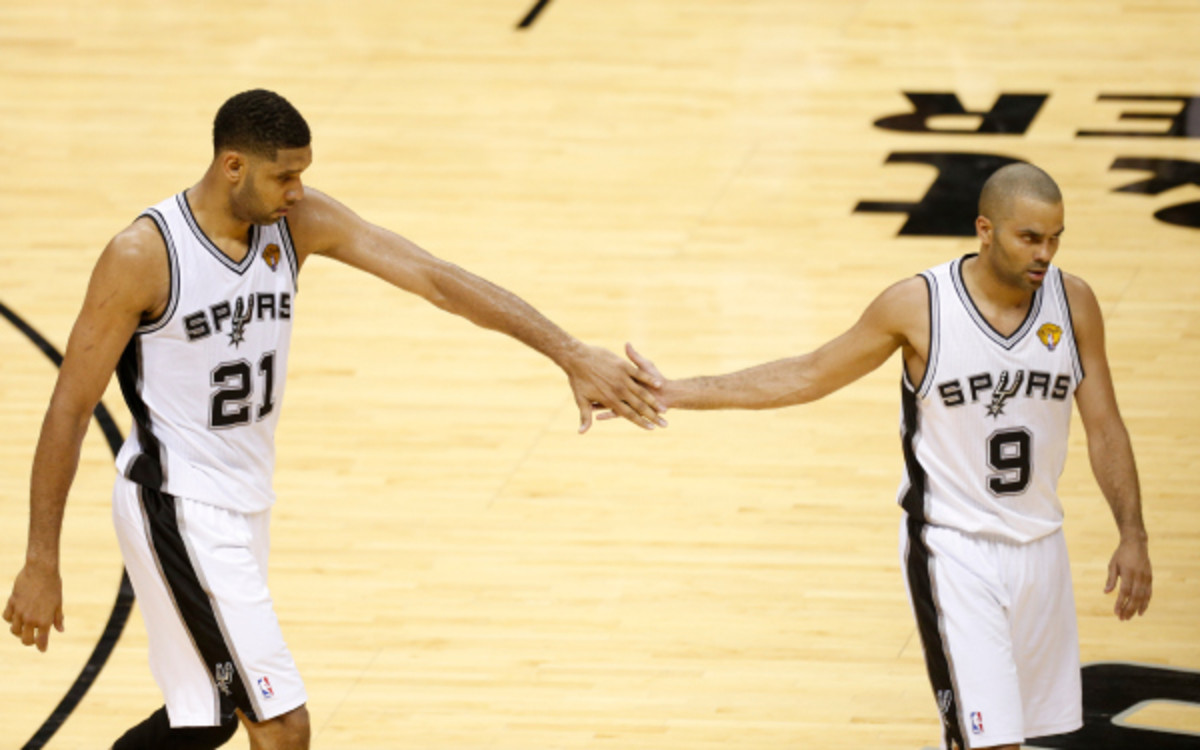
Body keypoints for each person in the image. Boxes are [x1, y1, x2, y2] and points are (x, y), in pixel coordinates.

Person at [3, 89, 666, 750]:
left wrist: (569, 351)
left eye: (303, 174)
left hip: (243, 502)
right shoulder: (143, 256)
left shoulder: (295, 223)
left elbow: (434, 278)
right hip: (177, 505)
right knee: (283, 727)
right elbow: (70, 406)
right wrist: (41, 561)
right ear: (233, 166)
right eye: (284, 175)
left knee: (202, 721)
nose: (298, 190)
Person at [621, 163, 1153, 750]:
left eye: (1055, 238)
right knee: (988, 744)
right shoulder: (918, 306)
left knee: (1033, 738)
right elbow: (809, 374)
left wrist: (1133, 534)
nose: (1045, 253)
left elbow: (1105, 427)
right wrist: (677, 391)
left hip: (1042, 545)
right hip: (953, 549)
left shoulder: (1074, 303)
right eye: (1030, 237)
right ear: (986, 229)